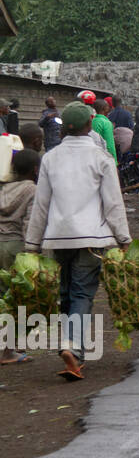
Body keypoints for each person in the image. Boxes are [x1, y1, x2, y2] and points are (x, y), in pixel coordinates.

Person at [24, 101, 131, 381]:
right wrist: (123, 237)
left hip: (56, 239)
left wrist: (32, 243)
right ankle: (73, 348)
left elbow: (41, 205)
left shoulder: (50, 158)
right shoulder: (101, 158)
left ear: (63, 131)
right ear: (88, 126)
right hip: (90, 239)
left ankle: (71, 344)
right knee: (82, 294)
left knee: (64, 295)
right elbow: (113, 203)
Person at [0, 150, 39, 364]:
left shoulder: (4, 187)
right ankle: (8, 351)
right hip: (15, 246)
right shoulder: (32, 190)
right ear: (35, 170)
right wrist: (33, 252)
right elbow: (30, 223)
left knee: (1, 297)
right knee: (15, 299)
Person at [91, 99, 117, 163]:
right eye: (107, 106)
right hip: (105, 158)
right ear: (104, 108)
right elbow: (110, 144)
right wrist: (114, 160)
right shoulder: (106, 123)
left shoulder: (92, 121)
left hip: (94, 157)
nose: (109, 108)